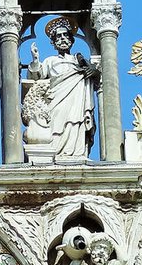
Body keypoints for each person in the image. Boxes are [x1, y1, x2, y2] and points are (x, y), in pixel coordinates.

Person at [24, 17, 99, 159]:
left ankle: (76, 153)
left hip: (77, 100)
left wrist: (92, 71)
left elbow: (95, 77)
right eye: (58, 36)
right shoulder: (50, 61)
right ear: (53, 42)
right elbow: (36, 77)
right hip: (56, 101)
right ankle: (56, 152)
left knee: (75, 123)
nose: (63, 39)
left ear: (71, 39)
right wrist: (35, 60)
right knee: (57, 125)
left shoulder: (78, 60)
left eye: (66, 35)